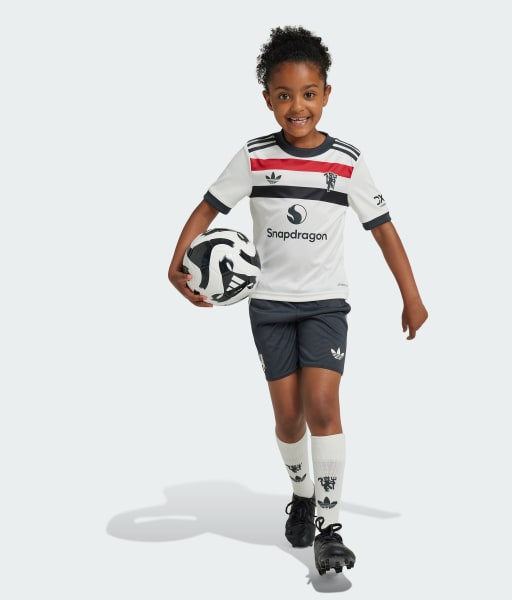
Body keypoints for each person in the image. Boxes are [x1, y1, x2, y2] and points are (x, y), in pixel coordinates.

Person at [168, 25, 428, 576]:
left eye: (309, 94)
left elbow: (383, 229)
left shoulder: (347, 161)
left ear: (326, 94)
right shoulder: (255, 156)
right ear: (267, 99)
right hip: (268, 306)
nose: (297, 106)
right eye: (284, 95)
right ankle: (303, 493)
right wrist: (178, 260)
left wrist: (411, 295)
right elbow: (208, 207)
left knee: (323, 407)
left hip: (325, 305)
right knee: (289, 420)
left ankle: (329, 530)